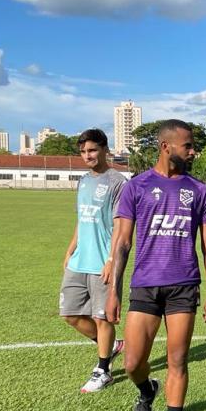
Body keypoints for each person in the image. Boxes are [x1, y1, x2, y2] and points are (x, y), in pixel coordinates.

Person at [105, 119, 206, 411]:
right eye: (188, 145)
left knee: (178, 361)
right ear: (166, 146)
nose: (193, 151)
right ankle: (146, 390)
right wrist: (114, 292)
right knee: (132, 362)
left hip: (184, 285)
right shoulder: (137, 186)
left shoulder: (198, 190)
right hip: (146, 284)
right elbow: (123, 242)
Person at [60, 129, 126, 393]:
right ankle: (112, 346)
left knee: (103, 318)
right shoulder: (83, 181)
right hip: (80, 260)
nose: (87, 156)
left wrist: (111, 259)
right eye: (83, 152)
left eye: (92, 150)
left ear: (104, 149)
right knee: (70, 314)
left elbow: (121, 226)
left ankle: (103, 370)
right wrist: (70, 248)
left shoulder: (118, 182)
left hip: (102, 262)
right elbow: (81, 218)